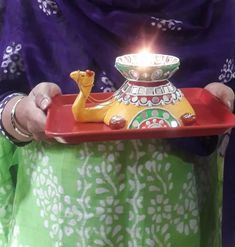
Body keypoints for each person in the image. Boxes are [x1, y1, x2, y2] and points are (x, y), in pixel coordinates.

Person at [0, 1, 234, 246]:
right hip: (65, 211)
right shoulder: (36, 5)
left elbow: (226, 91)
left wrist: (218, 101)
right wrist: (19, 114)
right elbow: (6, 93)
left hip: (177, 203)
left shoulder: (212, 6)